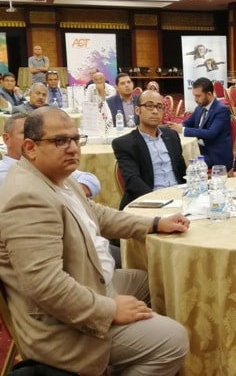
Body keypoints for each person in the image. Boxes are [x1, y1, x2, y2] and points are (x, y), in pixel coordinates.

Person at [0, 107, 190, 375]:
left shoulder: (55, 177)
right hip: (59, 326)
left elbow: (96, 213)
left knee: (155, 283)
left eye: (75, 139)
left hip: (89, 279)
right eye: (60, 141)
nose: (72, 148)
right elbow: (45, 285)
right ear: (30, 148)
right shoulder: (27, 198)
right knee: (173, 341)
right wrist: (109, 309)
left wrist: (154, 224)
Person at [112, 90, 187, 209]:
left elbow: (182, 171)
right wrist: (159, 201)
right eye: (149, 106)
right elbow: (133, 181)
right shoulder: (125, 143)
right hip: (149, 201)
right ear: (137, 110)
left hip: (179, 197)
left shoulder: (171, 136)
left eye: (159, 107)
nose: (155, 111)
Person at [0, 112, 101, 199]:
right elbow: (37, 197)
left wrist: (69, 194)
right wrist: (67, 193)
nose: (33, 138)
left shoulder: (43, 164)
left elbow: (91, 180)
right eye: (25, 133)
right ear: (7, 139)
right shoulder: (4, 172)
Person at [167, 77, 233, 169]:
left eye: (198, 96)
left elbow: (210, 133)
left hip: (215, 155)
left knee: (185, 165)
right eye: (194, 96)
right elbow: (187, 123)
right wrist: (175, 127)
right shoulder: (200, 108)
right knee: (174, 158)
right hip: (200, 150)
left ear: (209, 94)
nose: (195, 99)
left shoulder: (221, 110)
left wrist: (182, 130)